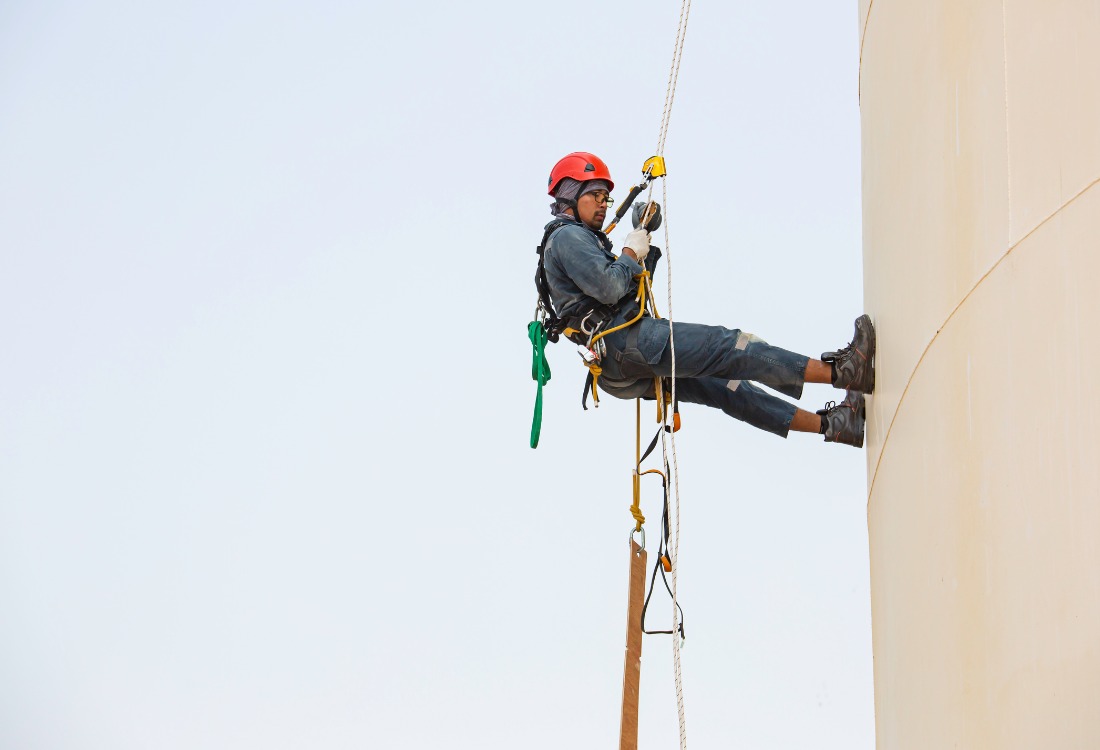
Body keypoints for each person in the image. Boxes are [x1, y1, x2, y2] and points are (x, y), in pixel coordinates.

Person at [536, 152, 875, 448]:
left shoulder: (582, 242)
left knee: (726, 387)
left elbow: (629, 294)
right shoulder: (568, 236)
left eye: (606, 198)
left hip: (619, 362)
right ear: (570, 195)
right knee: (733, 347)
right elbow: (611, 288)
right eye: (594, 194)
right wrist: (627, 251)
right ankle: (844, 373)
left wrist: (644, 244)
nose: (602, 204)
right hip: (626, 343)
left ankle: (836, 426)